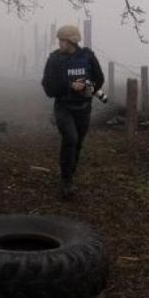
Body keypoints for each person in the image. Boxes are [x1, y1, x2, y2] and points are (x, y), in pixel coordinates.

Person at [41, 24, 104, 200]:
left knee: (78, 144)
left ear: (71, 41)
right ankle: (66, 181)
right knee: (70, 138)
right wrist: (69, 86)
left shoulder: (87, 56)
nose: (59, 43)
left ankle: (70, 172)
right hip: (63, 107)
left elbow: (99, 80)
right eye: (59, 40)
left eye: (62, 40)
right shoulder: (54, 59)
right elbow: (48, 87)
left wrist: (86, 86)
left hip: (84, 108)